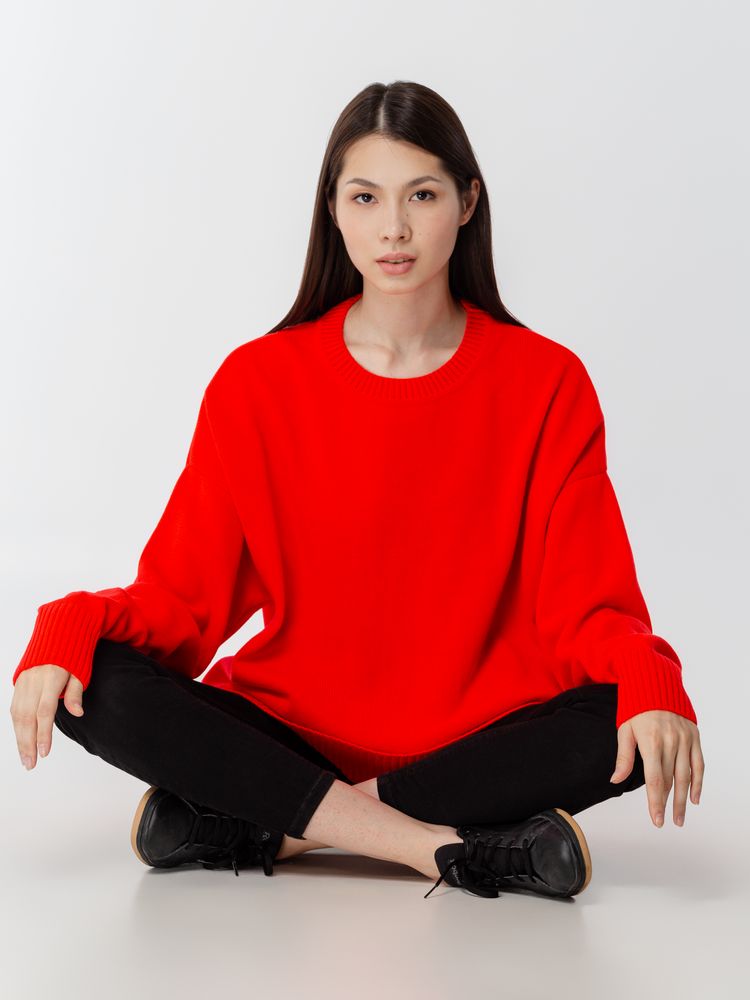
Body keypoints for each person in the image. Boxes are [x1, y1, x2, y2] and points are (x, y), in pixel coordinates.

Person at [9, 80, 704, 901]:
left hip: (480, 741)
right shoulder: (256, 384)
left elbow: (589, 608)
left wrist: (650, 680)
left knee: (626, 719)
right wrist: (73, 624)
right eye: (366, 197)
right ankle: (441, 847)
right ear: (333, 211)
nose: (394, 228)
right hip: (289, 733)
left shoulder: (547, 382)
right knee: (94, 685)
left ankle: (280, 829)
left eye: (423, 195)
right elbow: (180, 603)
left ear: (468, 202)